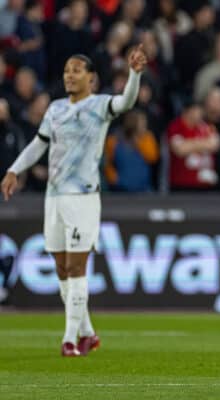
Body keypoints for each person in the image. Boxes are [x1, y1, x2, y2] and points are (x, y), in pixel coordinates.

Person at [1, 46, 147, 356]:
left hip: (83, 196)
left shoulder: (100, 105)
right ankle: (89, 334)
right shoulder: (54, 109)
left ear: (91, 79)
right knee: (61, 268)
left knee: (76, 266)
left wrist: (134, 74)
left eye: (77, 70)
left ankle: (69, 339)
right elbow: (38, 145)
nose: (70, 74)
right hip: (53, 197)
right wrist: (14, 170)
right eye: (67, 69)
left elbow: (127, 101)